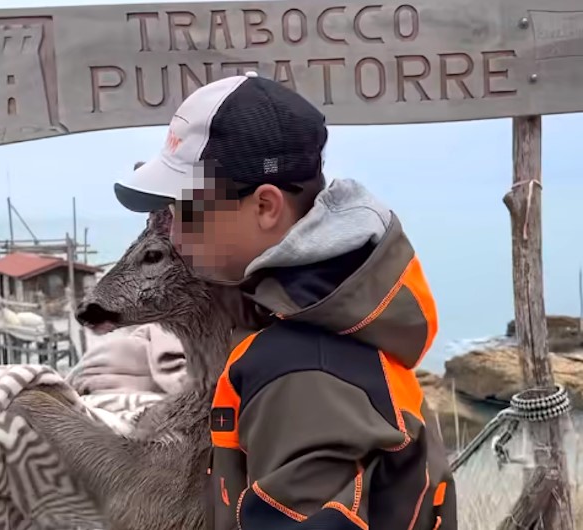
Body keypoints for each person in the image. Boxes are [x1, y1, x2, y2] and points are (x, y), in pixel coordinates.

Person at [113, 72, 457, 530]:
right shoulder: (326, 316)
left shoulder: (303, 370)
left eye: (186, 210)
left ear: (265, 206)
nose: (174, 233)